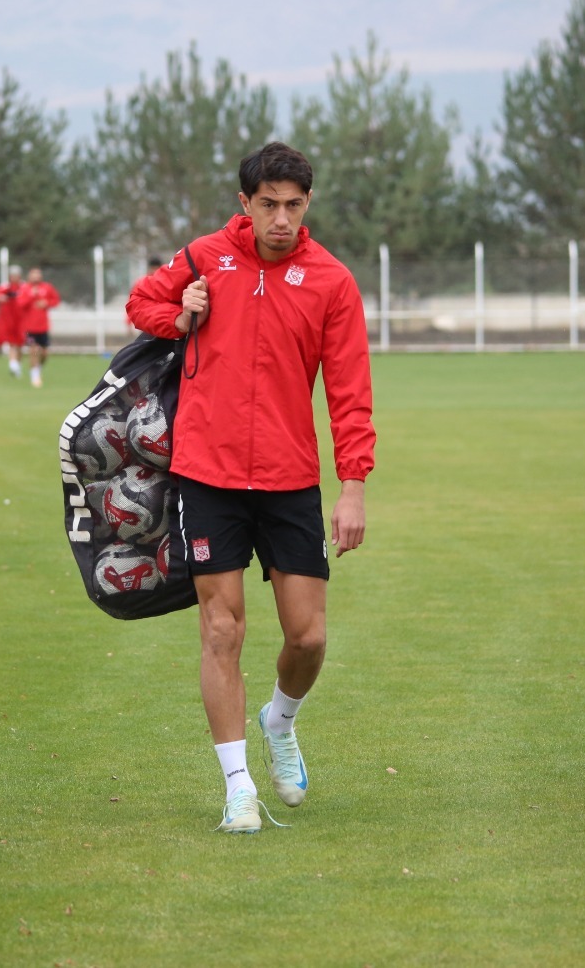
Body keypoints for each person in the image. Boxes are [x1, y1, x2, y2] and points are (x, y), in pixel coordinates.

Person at [125, 141, 375, 834]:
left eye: (294, 206)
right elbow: (140, 303)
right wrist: (180, 314)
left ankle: (281, 721)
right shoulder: (206, 258)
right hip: (206, 473)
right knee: (222, 627)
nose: (281, 220)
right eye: (268, 205)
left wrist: (352, 488)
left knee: (310, 636)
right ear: (245, 203)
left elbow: (351, 395)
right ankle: (237, 786)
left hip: (291, 480)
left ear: (307, 206)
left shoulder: (331, 280)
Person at [20, 267, 60, 388]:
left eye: (38, 274)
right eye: (33, 275)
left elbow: (56, 300)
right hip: (29, 329)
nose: (36, 277)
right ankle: (35, 377)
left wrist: (46, 303)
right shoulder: (25, 288)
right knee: (33, 350)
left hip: (42, 327)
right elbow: (20, 304)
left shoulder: (47, 287)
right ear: (29, 276)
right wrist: (31, 296)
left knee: (44, 353)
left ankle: (38, 368)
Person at [0, 267, 26, 377]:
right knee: (12, 343)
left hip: (22, 321)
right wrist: (0, 297)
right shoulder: (5, 286)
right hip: (8, 320)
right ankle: (13, 365)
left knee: (20, 345)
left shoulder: (24, 287)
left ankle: (17, 365)